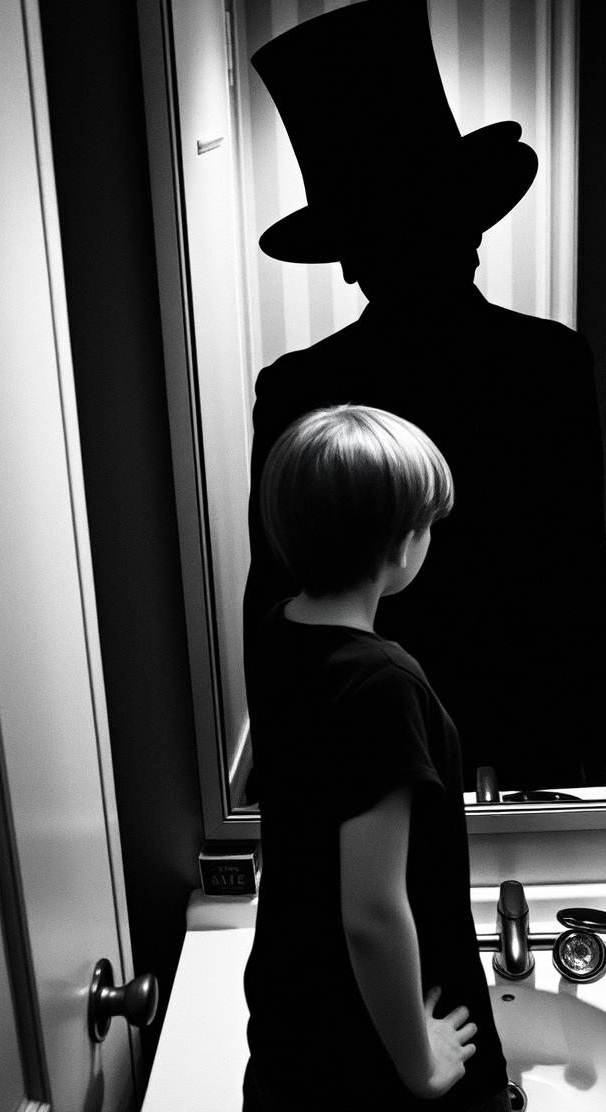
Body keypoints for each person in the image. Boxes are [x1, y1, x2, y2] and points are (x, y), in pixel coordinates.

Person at [244, 0, 606, 794]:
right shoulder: (549, 361)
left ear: (347, 261)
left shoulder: (298, 388)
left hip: (372, 736)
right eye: (447, 221)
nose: (469, 241)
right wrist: (600, 760)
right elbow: (583, 575)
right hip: (515, 728)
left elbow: (273, 606)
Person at [242, 404, 510, 1112]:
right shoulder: (382, 686)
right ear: (398, 546)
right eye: (425, 525)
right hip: (371, 1052)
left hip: (292, 1018)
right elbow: (370, 909)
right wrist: (421, 1066)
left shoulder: (279, 633)